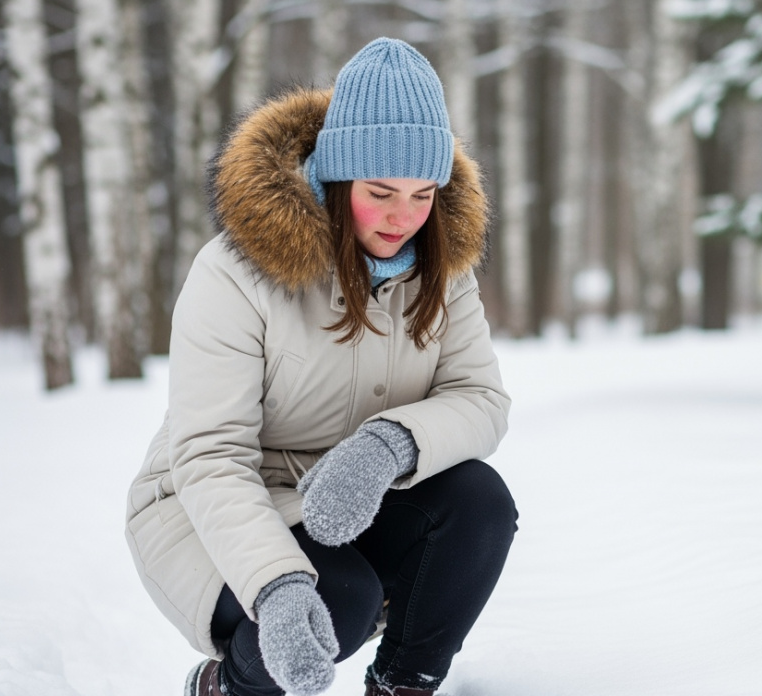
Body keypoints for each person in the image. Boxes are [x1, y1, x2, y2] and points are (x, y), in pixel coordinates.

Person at [124, 38, 517, 696]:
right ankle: (228, 686)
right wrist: (274, 585)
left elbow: (480, 397)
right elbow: (210, 455)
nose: (404, 217)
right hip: (207, 508)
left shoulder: (442, 270)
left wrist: (386, 447)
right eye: (381, 191)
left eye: (423, 194)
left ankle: (403, 683)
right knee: (336, 601)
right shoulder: (235, 272)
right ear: (335, 178)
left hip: (352, 500)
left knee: (478, 501)